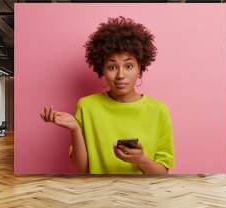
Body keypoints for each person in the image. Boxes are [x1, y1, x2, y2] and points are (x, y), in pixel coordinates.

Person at [40, 16, 174, 174]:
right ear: (101, 69)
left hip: (142, 196)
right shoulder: (87, 106)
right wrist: (75, 129)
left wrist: (141, 160)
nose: (120, 75)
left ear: (140, 68)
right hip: (98, 193)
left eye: (129, 66)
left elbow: (162, 174)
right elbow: (81, 169)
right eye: (112, 67)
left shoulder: (158, 110)